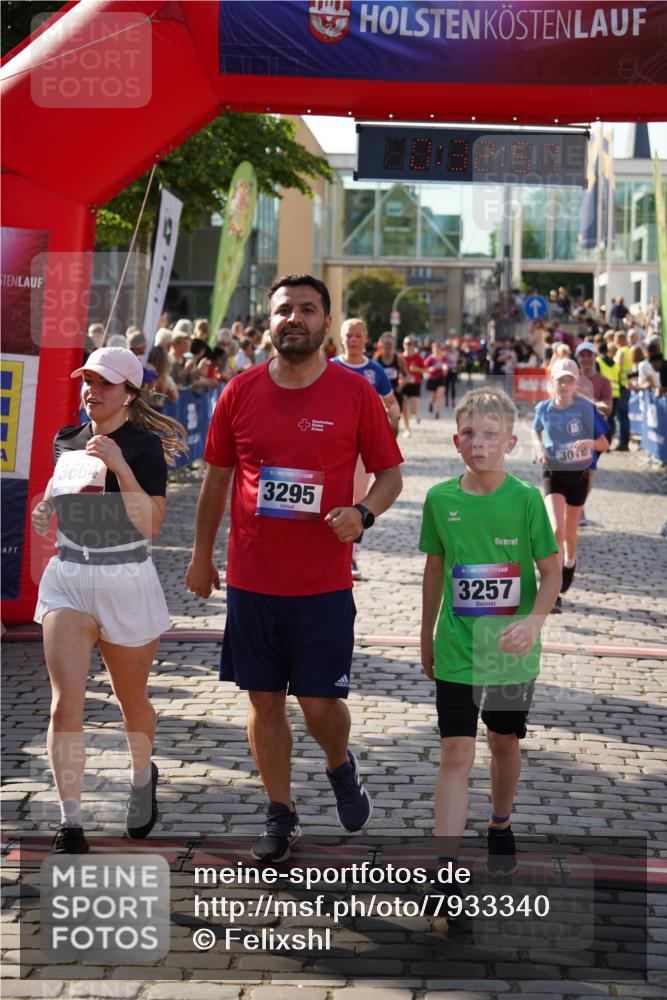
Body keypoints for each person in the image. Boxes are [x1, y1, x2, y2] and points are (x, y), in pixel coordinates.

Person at [185, 274, 403, 863]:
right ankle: (280, 813)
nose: (295, 318)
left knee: (319, 706)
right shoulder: (240, 390)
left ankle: (339, 763)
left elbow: (390, 476)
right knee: (263, 702)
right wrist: (203, 554)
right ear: (270, 320)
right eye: (285, 309)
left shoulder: (354, 394)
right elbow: (217, 480)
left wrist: (363, 514)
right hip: (253, 581)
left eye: (308, 309)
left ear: (326, 323)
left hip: (322, 584)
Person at [32, 347, 187, 854]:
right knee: (64, 705)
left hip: (125, 577)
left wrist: (120, 465)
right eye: (87, 382)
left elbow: (152, 523)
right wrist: (46, 507)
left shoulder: (141, 445)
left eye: (104, 384)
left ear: (129, 393)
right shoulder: (66, 439)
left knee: (131, 702)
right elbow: (67, 496)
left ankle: (143, 776)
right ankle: (70, 821)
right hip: (70, 577)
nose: (91, 392)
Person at [419, 388, 560, 877]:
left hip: (507, 650)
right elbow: (435, 570)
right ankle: (446, 865)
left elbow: (552, 572)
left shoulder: (525, 501)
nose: (479, 444)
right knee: (456, 749)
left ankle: (500, 822)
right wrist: (424, 634)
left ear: (511, 443)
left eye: (490, 435)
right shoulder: (439, 499)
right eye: (470, 435)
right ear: (457, 441)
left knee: (503, 742)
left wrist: (534, 620)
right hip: (455, 645)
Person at [533, 359, 609, 612]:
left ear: (576, 383)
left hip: (578, 475)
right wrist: (540, 448)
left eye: (569, 380)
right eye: (560, 380)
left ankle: (570, 561)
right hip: (553, 472)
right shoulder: (544, 408)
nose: (564, 384)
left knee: (569, 534)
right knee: (555, 529)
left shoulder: (586, 409)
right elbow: (536, 433)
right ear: (552, 383)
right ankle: (552, 591)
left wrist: (588, 442)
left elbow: (604, 443)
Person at [332, 318, 402, 580]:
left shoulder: (375, 371)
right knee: (331, 498)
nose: (353, 340)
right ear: (341, 338)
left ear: (365, 339)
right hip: (333, 446)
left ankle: (351, 558)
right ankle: (330, 554)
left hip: (362, 449)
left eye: (358, 336)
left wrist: (393, 420)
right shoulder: (331, 367)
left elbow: (391, 403)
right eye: (349, 335)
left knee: (357, 500)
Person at [574, 341, 613, 525]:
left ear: (595, 357)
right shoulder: (571, 380)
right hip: (571, 431)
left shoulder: (603, 381)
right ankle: (573, 505)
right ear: (578, 358)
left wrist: (589, 401)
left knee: (589, 472)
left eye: (590, 355)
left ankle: (579, 505)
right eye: (583, 355)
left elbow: (607, 408)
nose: (587, 359)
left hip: (594, 432)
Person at [400, 336, 426, 437]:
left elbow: (425, 370)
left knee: (414, 409)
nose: (409, 346)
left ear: (414, 345)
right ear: (403, 345)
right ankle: (407, 430)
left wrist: (417, 370)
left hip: (415, 384)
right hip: (404, 384)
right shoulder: (400, 357)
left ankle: (416, 414)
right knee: (404, 409)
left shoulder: (417, 357)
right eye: (407, 343)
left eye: (411, 344)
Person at [424, 341, 447, 418]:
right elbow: (424, 368)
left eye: (438, 348)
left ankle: (437, 412)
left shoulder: (443, 357)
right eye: (435, 349)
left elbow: (445, 366)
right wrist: (430, 369)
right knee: (433, 396)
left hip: (441, 379)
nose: (437, 350)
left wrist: (445, 369)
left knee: (440, 396)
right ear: (432, 349)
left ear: (440, 349)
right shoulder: (430, 358)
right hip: (432, 379)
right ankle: (431, 403)